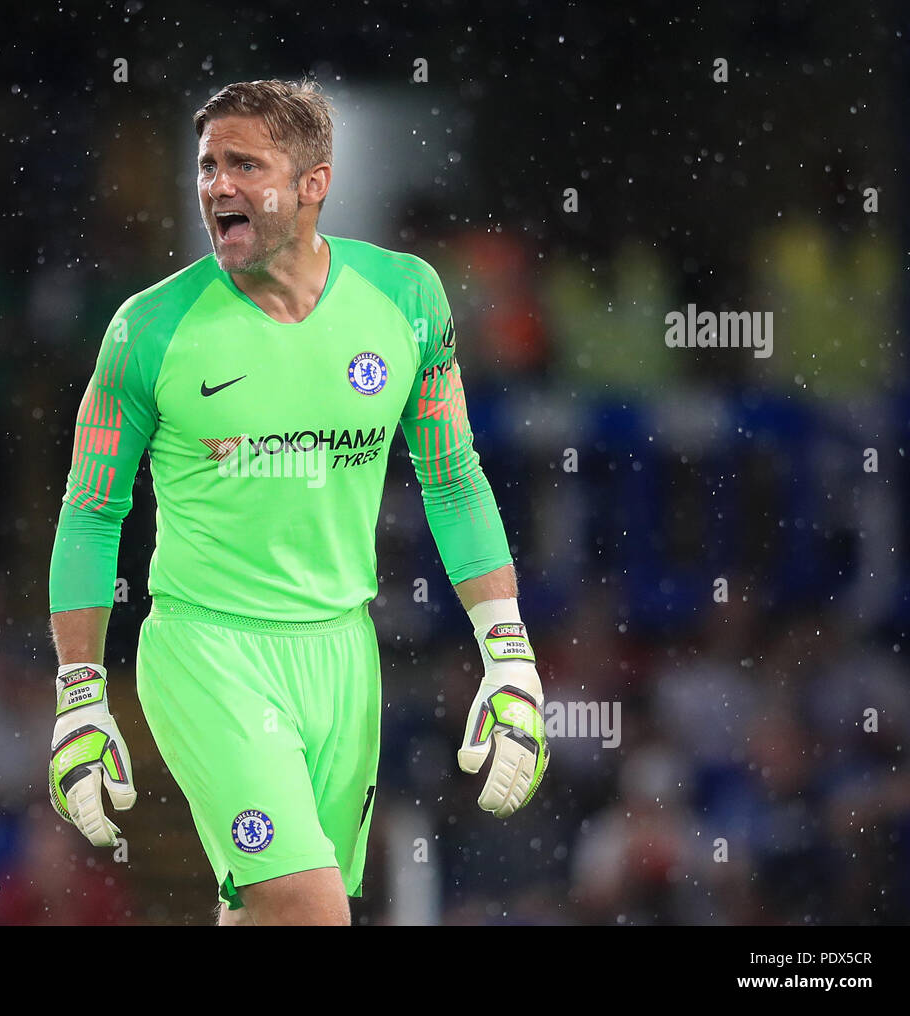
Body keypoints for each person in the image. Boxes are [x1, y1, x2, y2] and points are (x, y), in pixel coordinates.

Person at [46, 78, 549, 926]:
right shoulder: (149, 329)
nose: (218, 187)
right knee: (310, 908)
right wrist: (80, 691)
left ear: (315, 181)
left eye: (246, 164)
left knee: (261, 912)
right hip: (210, 651)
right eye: (208, 166)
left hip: (343, 653)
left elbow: (452, 477)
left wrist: (510, 656)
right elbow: (91, 510)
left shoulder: (408, 299)